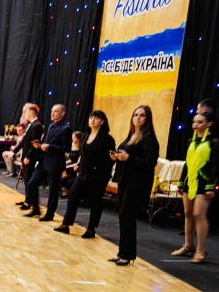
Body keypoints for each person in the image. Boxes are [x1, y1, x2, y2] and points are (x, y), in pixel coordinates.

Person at [108, 105, 160, 266]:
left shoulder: (149, 138)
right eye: (135, 115)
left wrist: (128, 158)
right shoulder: (132, 134)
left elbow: (150, 163)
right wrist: (117, 156)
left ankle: (128, 254)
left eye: (142, 115)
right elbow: (127, 154)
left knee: (127, 216)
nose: (138, 118)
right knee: (123, 216)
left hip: (138, 183)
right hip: (126, 180)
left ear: (147, 118)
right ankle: (122, 252)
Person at [55, 110, 115, 238]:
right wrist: (79, 164)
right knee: (72, 195)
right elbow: (83, 153)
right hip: (83, 172)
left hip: (98, 175)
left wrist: (102, 174)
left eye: (96, 118)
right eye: (91, 117)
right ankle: (66, 224)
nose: (92, 120)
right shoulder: (85, 135)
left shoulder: (107, 138)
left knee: (95, 201)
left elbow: (110, 159)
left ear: (102, 122)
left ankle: (91, 229)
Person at [172, 109, 217, 264]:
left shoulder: (214, 141)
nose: (195, 125)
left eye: (200, 122)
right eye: (194, 122)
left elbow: (215, 166)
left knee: (199, 214)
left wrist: (211, 185)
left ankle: (201, 250)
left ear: (209, 124)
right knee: (188, 213)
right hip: (189, 181)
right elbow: (187, 162)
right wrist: (180, 181)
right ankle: (188, 245)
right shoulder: (191, 141)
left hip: (204, 182)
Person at [23, 104, 72, 219]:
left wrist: (50, 147)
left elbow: (66, 148)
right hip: (44, 160)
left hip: (55, 163)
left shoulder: (66, 128)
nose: (52, 113)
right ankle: (36, 209)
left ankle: (50, 214)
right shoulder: (50, 126)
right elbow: (45, 141)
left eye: (55, 111)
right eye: (52, 111)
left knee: (53, 190)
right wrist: (39, 145)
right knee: (31, 183)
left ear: (62, 113)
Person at [16, 104, 44, 209]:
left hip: (30, 157)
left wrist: (28, 156)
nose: (24, 114)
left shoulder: (37, 125)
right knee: (26, 178)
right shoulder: (30, 124)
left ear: (31, 112)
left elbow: (34, 144)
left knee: (29, 179)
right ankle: (27, 199)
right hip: (26, 156)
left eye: (26, 112)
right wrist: (15, 151)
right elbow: (24, 141)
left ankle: (29, 202)